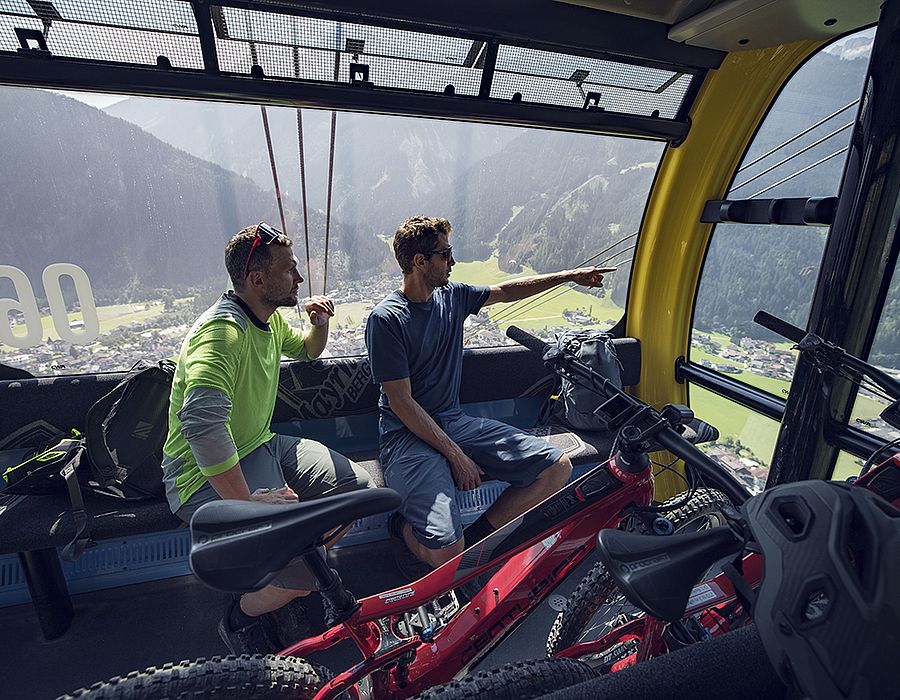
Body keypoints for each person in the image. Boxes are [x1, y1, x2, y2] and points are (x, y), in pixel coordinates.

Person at [161, 222, 374, 655]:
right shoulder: (222, 333)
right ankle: (240, 617)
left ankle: (286, 576)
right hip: (198, 477)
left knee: (358, 490)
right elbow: (201, 423)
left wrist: (319, 322)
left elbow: (309, 350)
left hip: (259, 444)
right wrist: (244, 503)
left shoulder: (267, 319)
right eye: (290, 270)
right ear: (258, 280)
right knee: (300, 581)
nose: (299, 278)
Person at [365, 215, 612, 571]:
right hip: (406, 437)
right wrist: (456, 456)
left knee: (557, 469)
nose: (453, 261)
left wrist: (570, 276)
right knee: (445, 551)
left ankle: (476, 549)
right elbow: (402, 403)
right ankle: (403, 529)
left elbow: (508, 290)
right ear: (420, 261)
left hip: (453, 422)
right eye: (445, 253)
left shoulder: (452, 296)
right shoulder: (387, 320)